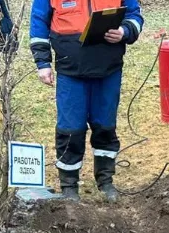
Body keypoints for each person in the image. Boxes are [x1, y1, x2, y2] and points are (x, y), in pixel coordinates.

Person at [29, 0, 144, 202]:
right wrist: (42, 62)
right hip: (70, 71)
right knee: (70, 129)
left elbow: (134, 15)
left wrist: (124, 31)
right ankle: (69, 186)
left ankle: (105, 181)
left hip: (108, 69)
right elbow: (38, 22)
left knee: (105, 126)